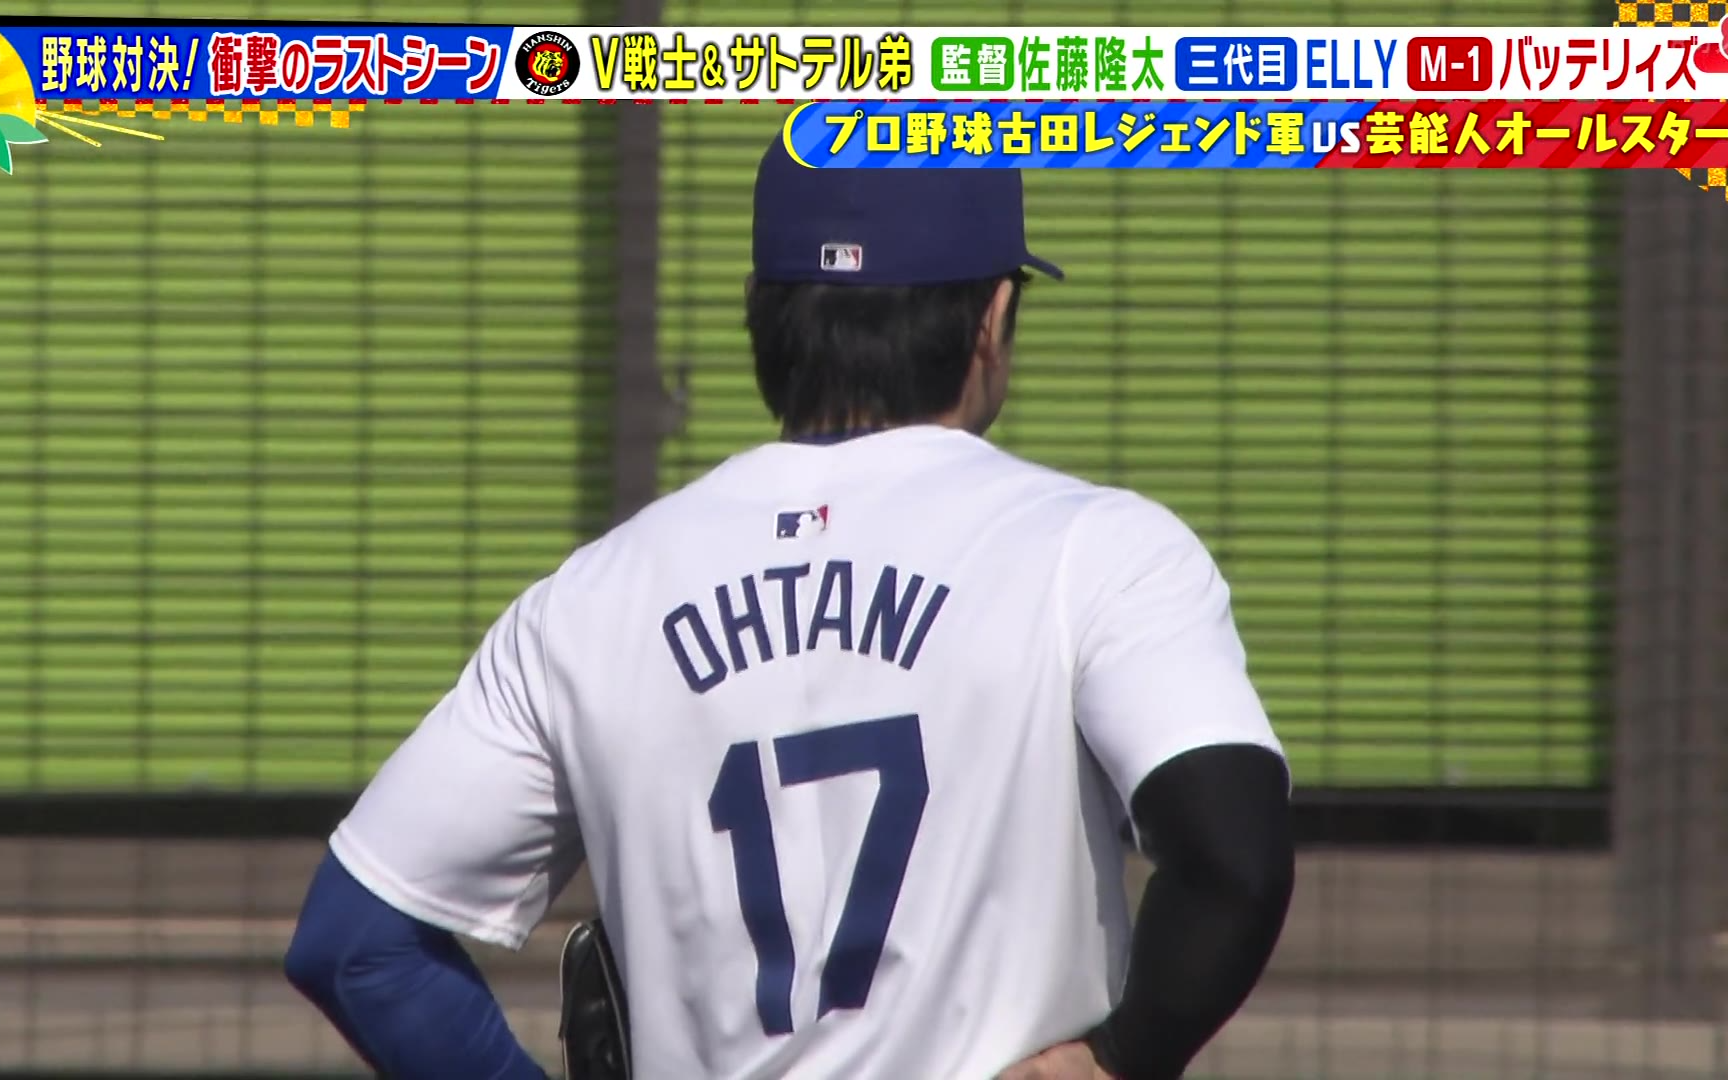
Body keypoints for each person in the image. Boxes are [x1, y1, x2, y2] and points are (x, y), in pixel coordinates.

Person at [283, 131, 1295, 1080]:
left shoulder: (591, 600)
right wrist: (1117, 1059)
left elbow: (356, 944)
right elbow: (1234, 860)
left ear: (764, 313)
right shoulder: (1097, 551)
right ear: (991, 318)